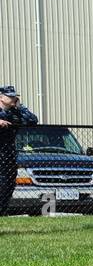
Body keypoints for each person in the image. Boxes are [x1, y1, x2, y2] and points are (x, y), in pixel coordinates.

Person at [0, 85, 39, 216]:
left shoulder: (15, 113)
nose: (13, 98)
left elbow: (33, 121)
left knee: (8, 184)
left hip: (8, 154)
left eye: (14, 96)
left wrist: (20, 107)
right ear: (1, 97)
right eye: (10, 96)